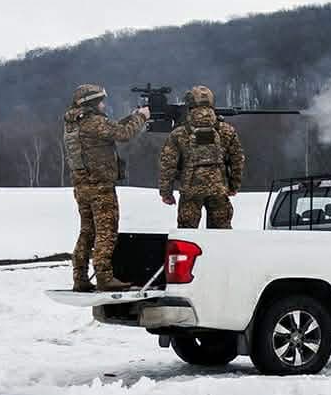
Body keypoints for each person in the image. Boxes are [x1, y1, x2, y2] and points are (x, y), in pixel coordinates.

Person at [63, 84, 149, 292]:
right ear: (92, 103)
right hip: (100, 187)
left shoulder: (75, 123)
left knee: (87, 232)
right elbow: (124, 134)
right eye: (101, 100)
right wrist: (142, 117)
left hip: (82, 186)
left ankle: (80, 277)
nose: (103, 104)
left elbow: (110, 130)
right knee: (106, 231)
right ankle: (104, 277)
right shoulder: (93, 122)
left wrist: (131, 116)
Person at [158, 85, 245, 229]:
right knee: (222, 235)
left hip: (190, 191)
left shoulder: (179, 133)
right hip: (218, 189)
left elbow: (168, 165)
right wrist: (234, 185)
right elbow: (238, 160)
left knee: (187, 236)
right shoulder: (227, 130)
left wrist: (166, 192)